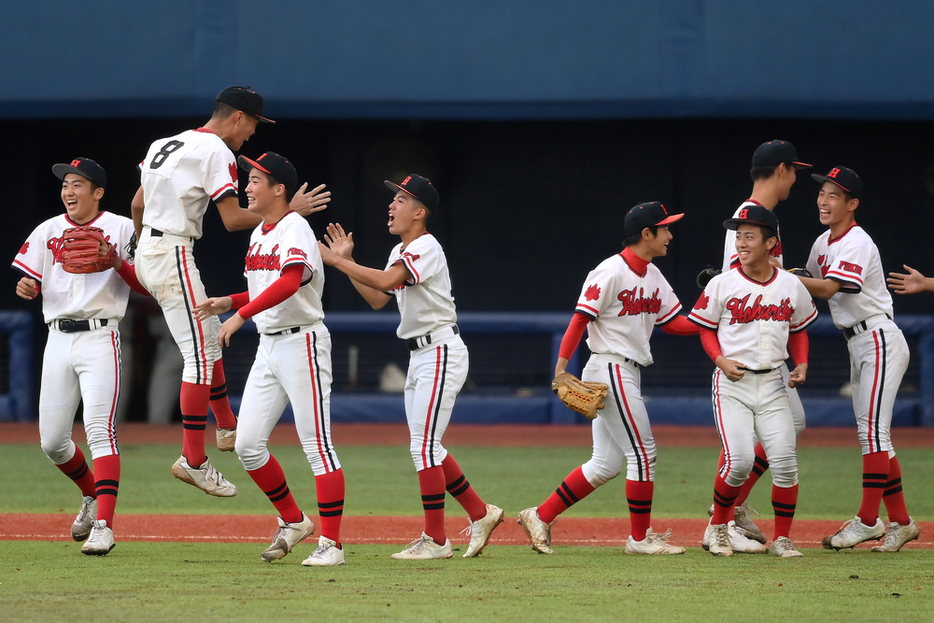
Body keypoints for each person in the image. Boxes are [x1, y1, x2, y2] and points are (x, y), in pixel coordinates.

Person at [131, 86, 330, 496]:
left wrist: (144, 250)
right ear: (238, 117)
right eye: (255, 123)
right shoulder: (216, 150)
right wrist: (290, 208)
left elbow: (137, 205)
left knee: (206, 341)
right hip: (172, 250)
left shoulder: (165, 142)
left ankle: (226, 426)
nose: (253, 133)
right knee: (201, 356)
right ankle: (193, 459)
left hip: (151, 249)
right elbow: (234, 219)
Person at [318, 174, 504, 560]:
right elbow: (377, 298)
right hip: (420, 355)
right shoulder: (400, 251)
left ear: (420, 212)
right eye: (393, 199)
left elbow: (387, 280)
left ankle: (436, 540)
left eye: (401, 200)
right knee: (425, 446)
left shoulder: (426, 246)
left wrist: (337, 260)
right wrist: (346, 263)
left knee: (424, 447)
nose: (391, 205)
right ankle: (480, 512)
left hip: (441, 351)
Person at [517, 202, 700, 556]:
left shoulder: (653, 274)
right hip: (611, 368)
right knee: (644, 454)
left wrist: (713, 310)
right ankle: (640, 538)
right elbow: (580, 319)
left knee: (606, 464)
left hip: (627, 371)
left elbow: (676, 322)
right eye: (665, 229)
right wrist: (560, 366)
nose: (670, 235)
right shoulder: (611, 271)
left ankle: (539, 515)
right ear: (646, 234)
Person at [194, 152, 346, 566]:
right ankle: (294, 520)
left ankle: (332, 545)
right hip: (271, 344)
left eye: (256, 180)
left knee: (318, 446)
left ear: (279, 188)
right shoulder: (261, 232)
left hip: (303, 344)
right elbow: (266, 286)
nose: (247, 186)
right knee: (246, 444)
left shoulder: (295, 227)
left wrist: (241, 314)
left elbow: (291, 281)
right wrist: (230, 300)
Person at [12, 158, 141, 555]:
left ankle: (105, 524)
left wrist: (116, 262)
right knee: (52, 442)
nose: (68, 191)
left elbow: (148, 285)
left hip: (101, 338)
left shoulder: (121, 227)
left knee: (99, 430)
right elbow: (29, 278)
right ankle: (90, 495)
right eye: (65, 184)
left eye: (78, 184)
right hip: (57, 338)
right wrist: (26, 287)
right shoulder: (47, 229)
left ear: (98, 192)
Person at [796, 166, 919, 552]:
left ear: (852, 204)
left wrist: (775, 275)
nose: (823, 200)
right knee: (875, 437)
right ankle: (901, 523)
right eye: (822, 193)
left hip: (879, 337)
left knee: (873, 435)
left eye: (834, 195)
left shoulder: (858, 242)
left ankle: (868, 521)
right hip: (856, 341)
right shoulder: (822, 242)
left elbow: (829, 287)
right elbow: (806, 286)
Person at [690, 205, 817, 558]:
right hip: (733, 383)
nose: (741, 243)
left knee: (787, 464)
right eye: (739, 236)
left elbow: (800, 330)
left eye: (749, 236)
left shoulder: (791, 284)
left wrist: (802, 364)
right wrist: (719, 359)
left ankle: (783, 538)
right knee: (740, 461)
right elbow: (704, 328)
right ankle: (718, 529)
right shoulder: (722, 283)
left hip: (775, 382)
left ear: (771, 243)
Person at [709, 140, 812, 545]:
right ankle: (724, 516)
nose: (795, 181)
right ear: (782, 169)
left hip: (767, 341)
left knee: (791, 425)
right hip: (748, 346)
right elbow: (745, 280)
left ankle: (731, 509)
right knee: (742, 444)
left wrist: (789, 279)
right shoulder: (748, 216)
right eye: (794, 172)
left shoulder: (762, 216)